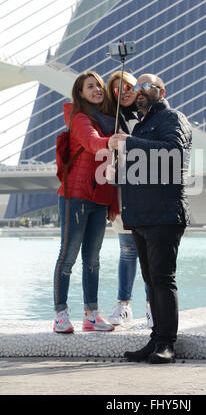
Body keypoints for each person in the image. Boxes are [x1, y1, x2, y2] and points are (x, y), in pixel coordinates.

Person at [108, 73, 192, 363]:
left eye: (146, 86)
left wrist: (130, 142)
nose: (139, 91)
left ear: (162, 91)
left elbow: (174, 152)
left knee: (162, 278)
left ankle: (167, 343)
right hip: (142, 217)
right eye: (137, 87)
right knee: (150, 279)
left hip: (164, 213)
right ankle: (155, 339)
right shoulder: (142, 124)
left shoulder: (172, 118)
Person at [53, 71, 118, 333]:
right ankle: (60, 314)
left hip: (99, 197)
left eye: (100, 86)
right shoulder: (79, 118)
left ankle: (91, 315)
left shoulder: (109, 121)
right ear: (80, 93)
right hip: (76, 197)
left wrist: (113, 204)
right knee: (68, 256)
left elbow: (111, 167)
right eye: (90, 87)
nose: (97, 90)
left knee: (93, 259)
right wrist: (109, 141)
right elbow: (93, 143)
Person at [106, 71, 152, 327]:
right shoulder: (109, 120)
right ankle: (124, 306)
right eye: (116, 88)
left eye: (128, 86)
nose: (123, 91)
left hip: (146, 193)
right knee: (127, 251)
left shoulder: (149, 116)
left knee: (149, 252)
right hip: (122, 194)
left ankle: (151, 307)